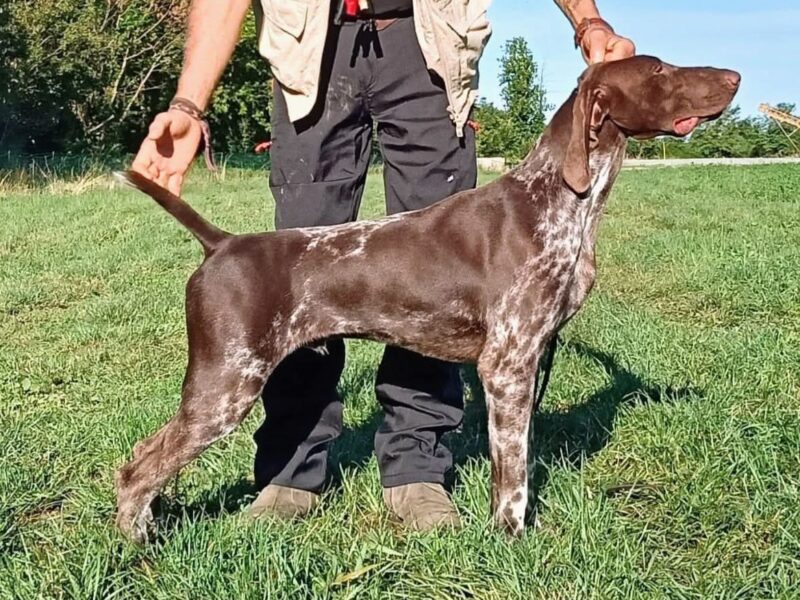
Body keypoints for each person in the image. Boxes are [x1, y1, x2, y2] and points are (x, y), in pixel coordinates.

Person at [131, 0, 634, 530]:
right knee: (287, 280)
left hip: (429, 39)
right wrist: (188, 104)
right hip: (311, 42)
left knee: (446, 277)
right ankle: (291, 469)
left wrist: (588, 20)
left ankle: (416, 466)